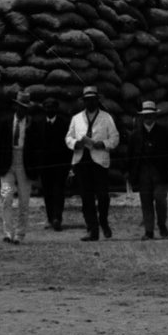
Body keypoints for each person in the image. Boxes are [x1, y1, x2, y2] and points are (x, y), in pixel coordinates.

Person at [66, 85, 120, 241]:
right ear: (84, 102)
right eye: (87, 100)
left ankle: (103, 220)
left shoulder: (106, 118)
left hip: (99, 161)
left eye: (93, 100)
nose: (90, 103)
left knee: (103, 196)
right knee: (86, 197)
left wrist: (102, 144)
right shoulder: (76, 118)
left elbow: (115, 138)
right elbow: (68, 138)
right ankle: (92, 229)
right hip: (82, 161)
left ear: (97, 101)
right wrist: (77, 143)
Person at [127, 99, 168, 239]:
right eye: (145, 115)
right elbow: (130, 155)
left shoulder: (164, 132)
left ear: (155, 116)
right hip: (143, 173)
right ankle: (149, 231)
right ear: (142, 117)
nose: (148, 118)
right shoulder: (135, 135)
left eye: (151, 115)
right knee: (146, 201)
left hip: (160, 172)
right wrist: (129, 172)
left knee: (160, 199)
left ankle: (161, 224)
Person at [26, 99, 70, 230]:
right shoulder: (39, 124)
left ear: (56, 109)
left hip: (60, 165)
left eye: (52, 107)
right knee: (47, 192)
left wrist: (68, 165)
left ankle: (58, 218)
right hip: (45, 166)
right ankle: (50, 218)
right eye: (47, 107)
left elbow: (68, 146)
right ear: (44, 109)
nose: (49, 110)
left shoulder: (63, 124)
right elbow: (34, 144)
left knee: (58, 192)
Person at [0, 90, 36, 244]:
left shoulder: (32, 124)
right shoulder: (6, 122)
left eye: (25, 108)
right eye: (20, 107)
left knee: (24, 201)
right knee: (6, 197)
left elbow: (36, 149)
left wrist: (35, 170)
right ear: (15, 106)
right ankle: (8, 233)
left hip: (24, 163)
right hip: (8, 161)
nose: (22, 110)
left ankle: (20, 235)